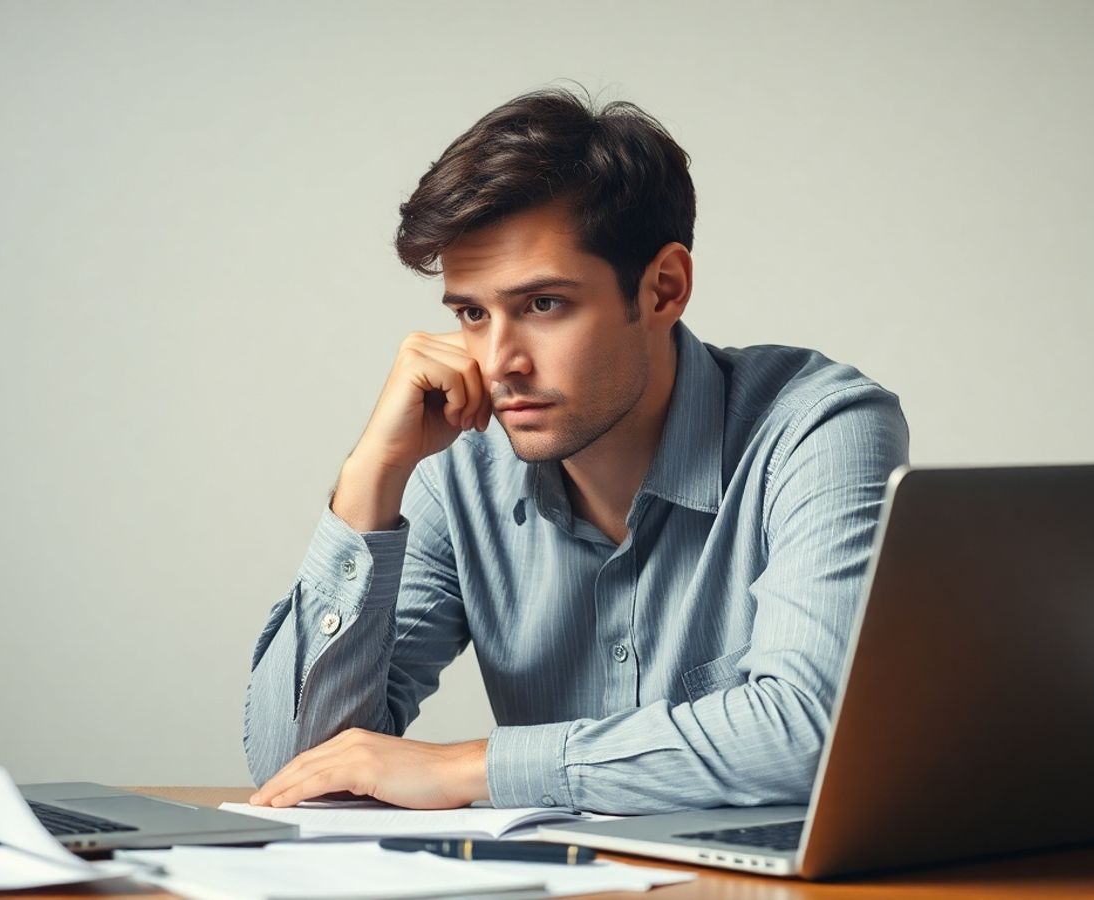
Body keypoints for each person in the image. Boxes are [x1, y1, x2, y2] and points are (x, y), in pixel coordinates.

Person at [242, 87, 910, 815]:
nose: (498, 363)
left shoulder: (818, 430)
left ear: (663, 289)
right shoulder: (460, 473)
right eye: (472, 313)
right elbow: (297, 768)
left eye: (543, 305)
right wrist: (371, 478)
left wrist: (478, 768)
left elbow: (808, 731)